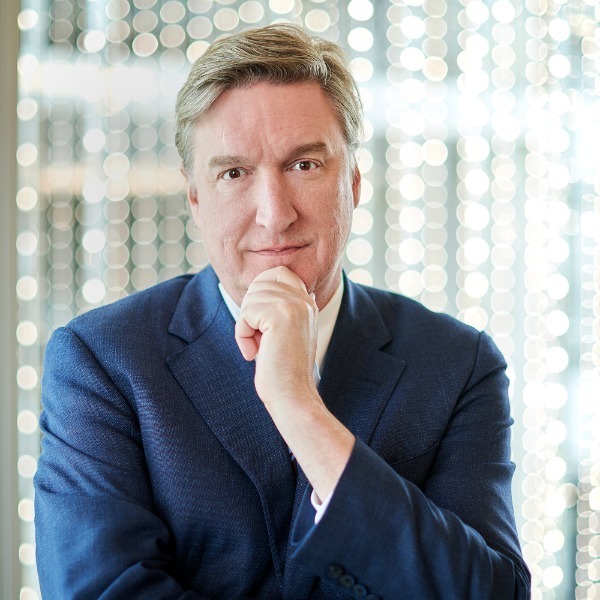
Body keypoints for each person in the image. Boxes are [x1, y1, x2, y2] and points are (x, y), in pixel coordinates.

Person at [34, 24, 530, 600]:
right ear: (195, 197)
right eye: (233, 173)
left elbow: (492, 592)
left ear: (353, 182)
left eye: (304, 165)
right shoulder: (102, 360)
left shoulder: (458, 363)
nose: (274, 214)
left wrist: (298, 405)